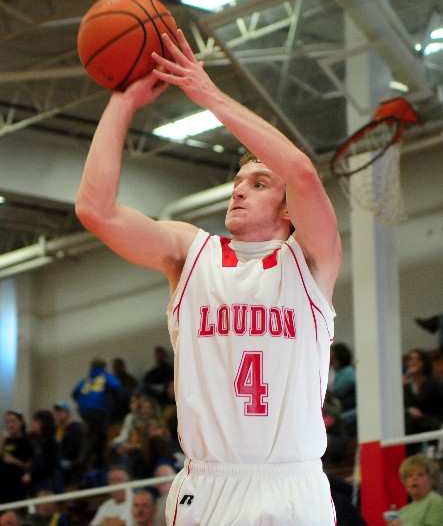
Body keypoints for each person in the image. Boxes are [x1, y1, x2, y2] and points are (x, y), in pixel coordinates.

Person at [75, 29, 342, 525]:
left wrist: (208, 94)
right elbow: (96, 210)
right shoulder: (190, 254)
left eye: (258, 183)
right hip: (209, 487)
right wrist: (122, 101)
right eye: (237, 182)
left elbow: (303, 173)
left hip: (294, 486)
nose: (238, 191)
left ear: (288, 209)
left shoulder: (310, 262)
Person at [72, 357, 124, 471]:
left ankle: (91, 462)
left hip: (84, 411)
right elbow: (117, 386)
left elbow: (74, 393)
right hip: (99, 410)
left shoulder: (87, 379)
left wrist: (84, 402)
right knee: (99, 436)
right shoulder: (104, 376)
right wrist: (118, 403)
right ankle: (88, 461)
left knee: (92, 434)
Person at [403, 349, 443, 454]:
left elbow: (420, 401)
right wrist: (406, 382)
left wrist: (406, 382)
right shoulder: (409, 384)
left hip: (435, 420)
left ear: (425, 363)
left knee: (412, 423)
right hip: (417, 422)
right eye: (411, 359)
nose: (413, 362)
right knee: (408, 423)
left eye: (417, 359)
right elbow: (407, 405)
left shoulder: (434, 382)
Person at [385, 453, 443, 525]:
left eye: (420, 475)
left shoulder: (436, 501)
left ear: (431, 479)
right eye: (409, 476)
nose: (414, 478)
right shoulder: (403, 511)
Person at [22, 410, 59, 498]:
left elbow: (50, 466)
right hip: (36, 485)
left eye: (36, 421)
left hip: (45, 487)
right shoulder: (38, 441)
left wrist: (31, 476)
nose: (33, 424)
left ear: (44, 424)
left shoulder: (50, 443)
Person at [0, 410, 33, 504]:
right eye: (7, 421)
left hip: (16, 487)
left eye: (13, 421)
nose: (10, 424)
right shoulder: (5, 440)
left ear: (20, 423)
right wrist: (2, 441)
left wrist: (14, 461)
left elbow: (29, 466)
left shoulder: (26, 442)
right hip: (2, 486)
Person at [53, 401, 84, 489]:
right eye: (57, 412)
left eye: (61, 412)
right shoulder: (57, 430)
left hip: (71, 459)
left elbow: (75, 448)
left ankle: (60, 491)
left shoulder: (75, 427)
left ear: (67, 413)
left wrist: (60, 456)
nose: (58, 415)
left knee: (57, 466)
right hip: (58, 458)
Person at [329, 341, 357, 435]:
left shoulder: (347, 373)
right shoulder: (338, 373)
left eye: (332, 357)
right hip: (345, 409)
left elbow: (335, 394)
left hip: (350, 411)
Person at [111, 358, 138, 422]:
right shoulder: (111, 380)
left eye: (118, 367)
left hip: (126, 402)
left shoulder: (129, 379)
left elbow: (132, 391)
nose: (117, 369)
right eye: (115, 367)